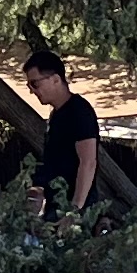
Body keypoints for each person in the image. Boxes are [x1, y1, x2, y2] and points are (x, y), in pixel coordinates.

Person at [24, 45, 102, 211]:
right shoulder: (56, 115)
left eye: (35, 84)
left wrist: (74, 210)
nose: (32, 91)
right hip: (55, 205)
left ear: (56, 79)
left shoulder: (79, 111)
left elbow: (88, 162)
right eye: (29, 85)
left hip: (76, 209)